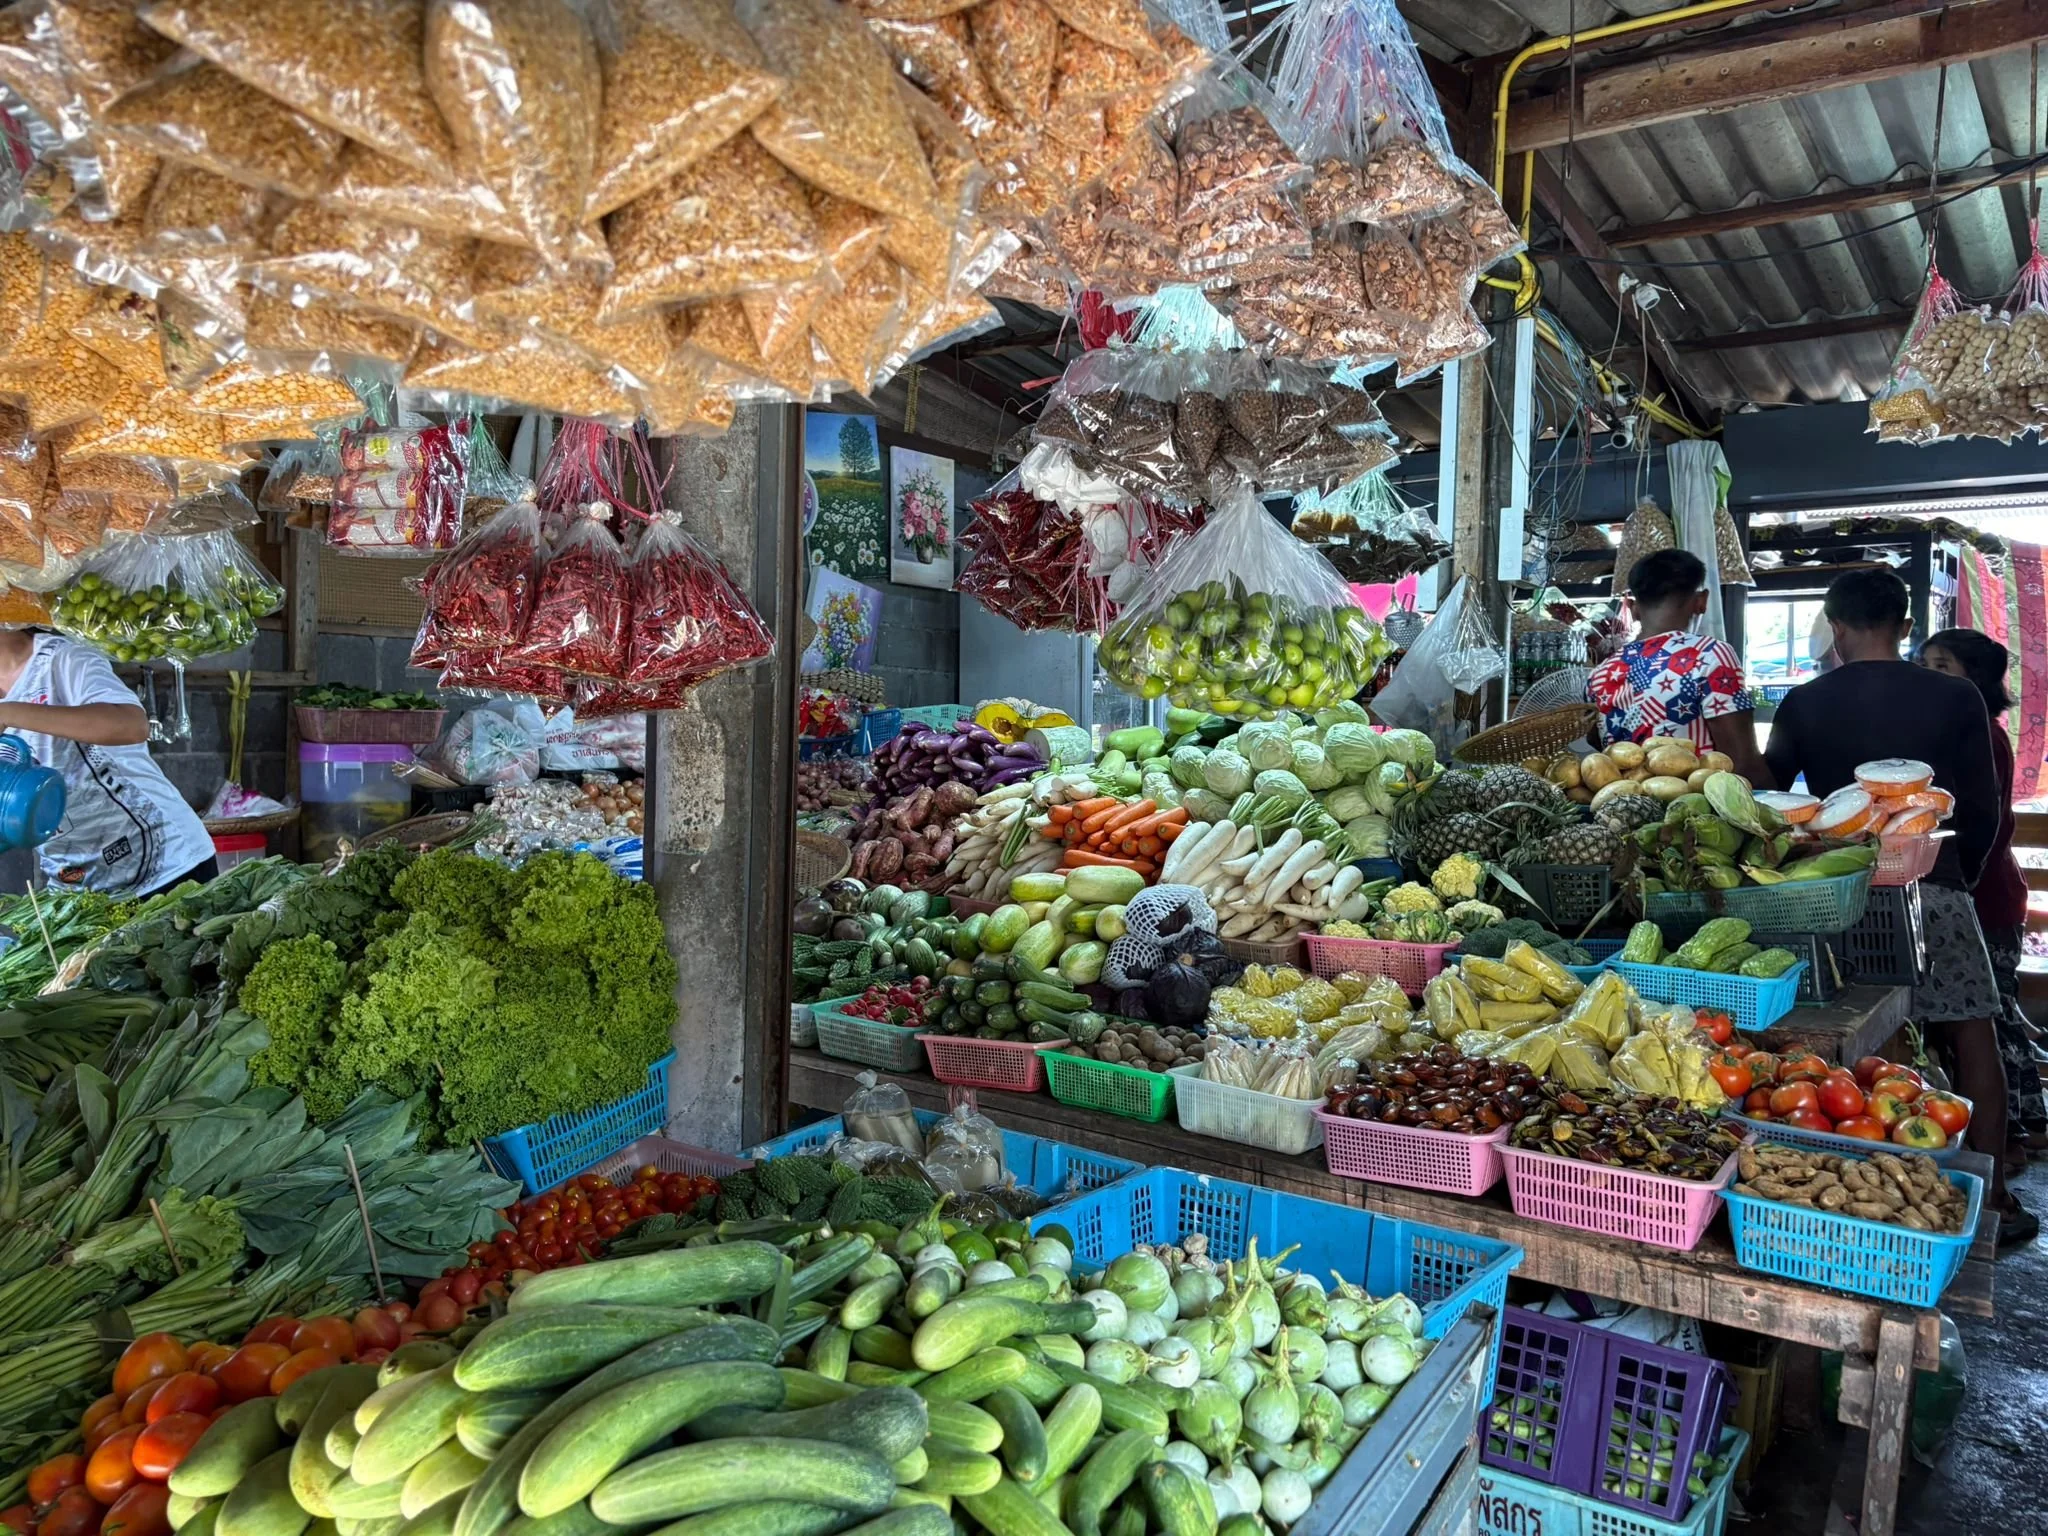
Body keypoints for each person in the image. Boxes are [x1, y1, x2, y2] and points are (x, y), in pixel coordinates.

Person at [1766, 569, 2034, 1246]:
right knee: (1974, 1033)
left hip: (1840, 894)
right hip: (1933, 884)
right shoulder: (1956, 697)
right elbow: (1980, 807)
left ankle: (1878, 1204)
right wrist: (1956, 876)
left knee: (1865, 1043)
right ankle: (1992, 1195)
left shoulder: (1803, 700)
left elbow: (1775, 803)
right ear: (1906, 625)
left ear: (1834, 623)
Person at [1920, 627, 2048, 1166]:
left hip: (1987, 899)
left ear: (1977, 680)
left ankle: (2021, 1131)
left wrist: (1965, 886)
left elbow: (1988, 827)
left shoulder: (1987, 736)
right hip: (1976, 894)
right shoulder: (1956, 730)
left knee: (1993, 1017)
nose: (1929, 677)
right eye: (1924, 664)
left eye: (1942, 667)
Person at [0, 628, 217, 896]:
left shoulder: (63, 660)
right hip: (76, 886)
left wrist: (8, 713)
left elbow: (130, 725)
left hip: (164, 866)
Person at [1586, 549, 1772, 786]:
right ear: (1701, 601)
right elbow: (1742, 763)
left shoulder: (1600, 674)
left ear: (1632, 608)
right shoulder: (1709, 656)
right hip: (1695, 814)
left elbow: (1597, 744)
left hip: (1621, 811)